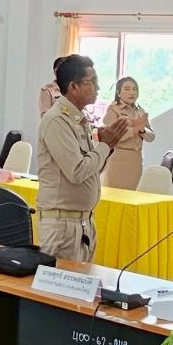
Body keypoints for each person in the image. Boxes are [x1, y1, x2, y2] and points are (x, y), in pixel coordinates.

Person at [34, 54, 128, 261]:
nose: (98, 87)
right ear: (73, 86)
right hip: (62, 226)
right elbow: (77, 172)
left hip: (83, 222)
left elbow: (90, 169)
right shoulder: (57, 120)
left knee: (84, 281)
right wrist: (105, 145)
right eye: (91, 81)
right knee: (60, 282)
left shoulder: (78, 119)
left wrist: (107, 147)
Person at [101, 76, 155, 191]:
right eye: (127, 89)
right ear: (118, 93)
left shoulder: (140, 111)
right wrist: (134, 129)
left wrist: (142, 130)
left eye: (135, 89)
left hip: (136, 159)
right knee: (115, 194)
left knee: (132, 195)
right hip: (118, 159)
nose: (132, 92)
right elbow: (112, 136)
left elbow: (151, 137)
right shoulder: (113, 109)